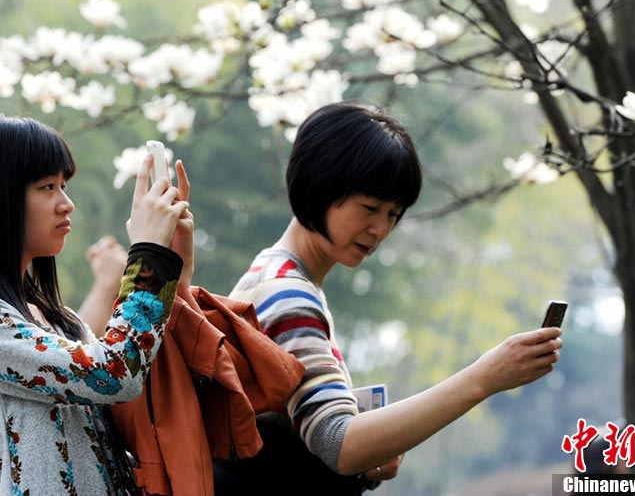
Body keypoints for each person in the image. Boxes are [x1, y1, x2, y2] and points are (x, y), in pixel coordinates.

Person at [214, 101, 564, 495]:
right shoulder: (287, 293)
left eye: (393, 214)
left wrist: (373, 450)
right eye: (370, 208)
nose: (379, 229)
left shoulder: (273, 273)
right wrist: (484, 378)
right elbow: (338, 443)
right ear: (320, 185)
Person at [0, 113, 193, 496]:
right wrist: (148, 259)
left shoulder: (56, 317)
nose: (66, 204)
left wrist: (175, 266)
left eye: (63, 185)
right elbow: (115, 372)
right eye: (47, 187)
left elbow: (137, 373)